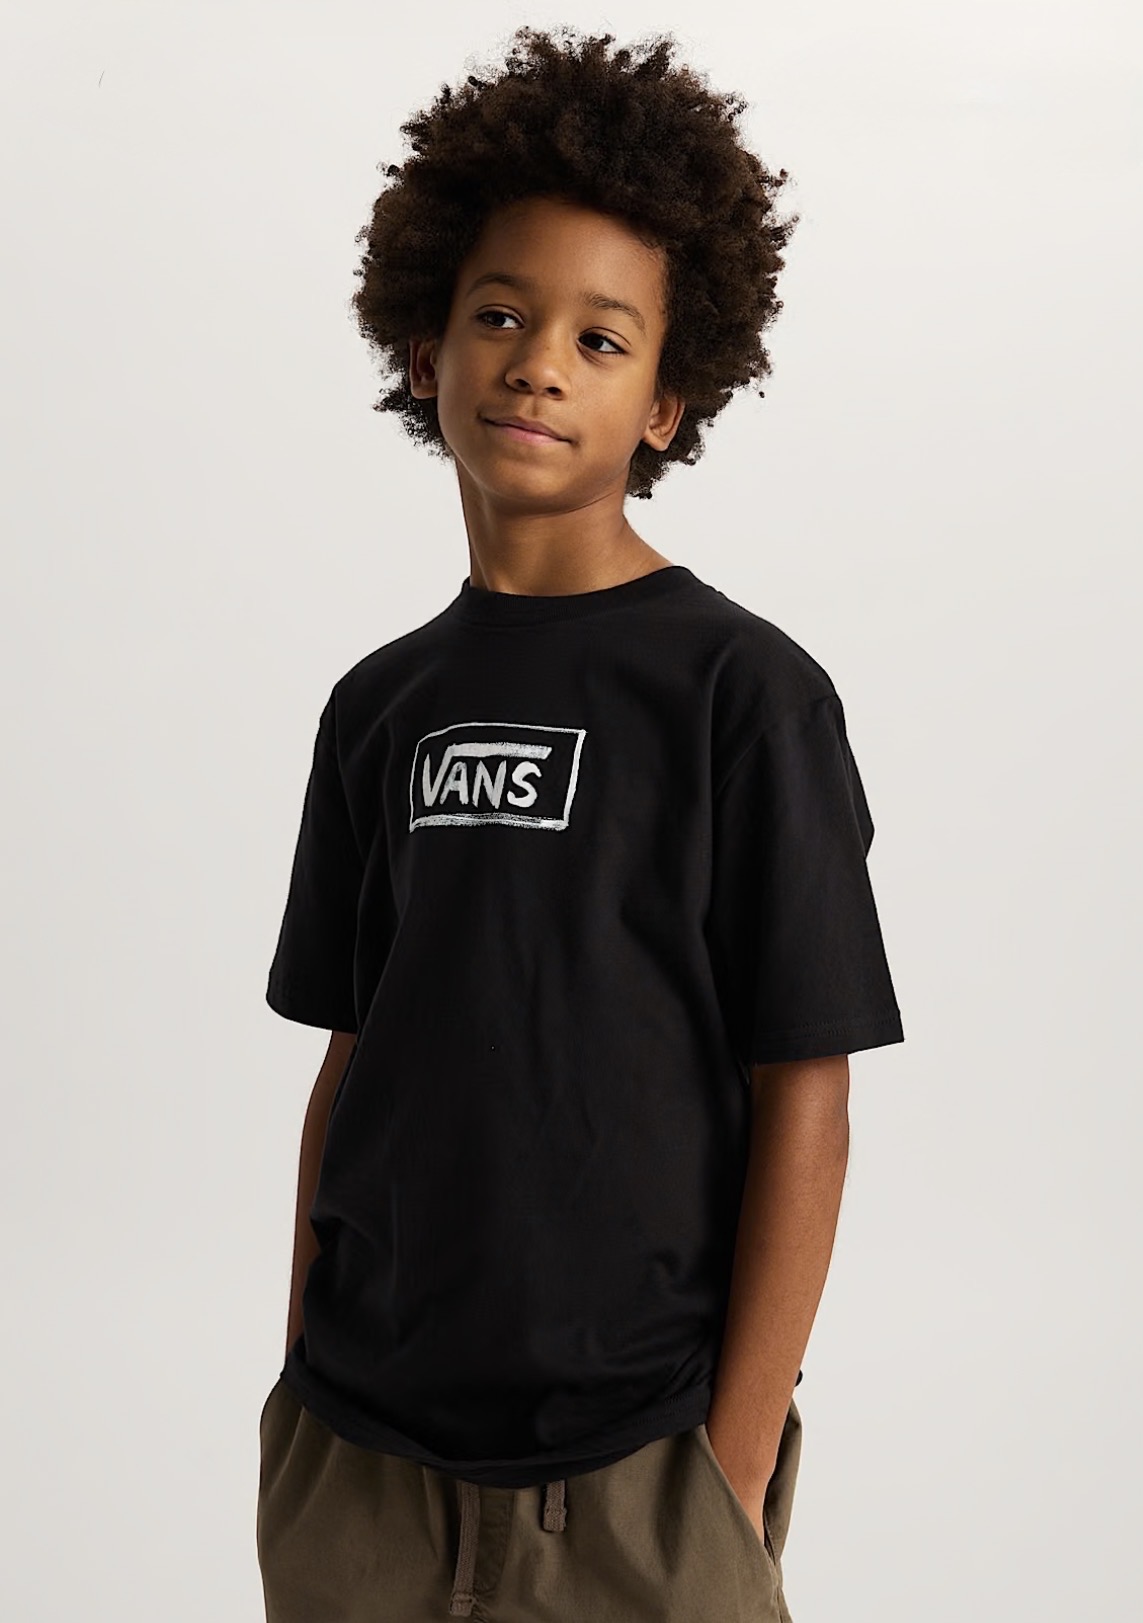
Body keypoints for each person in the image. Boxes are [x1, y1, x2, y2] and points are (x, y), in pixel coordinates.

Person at [256, 27, 904, 1623]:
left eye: (600, 339)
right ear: (426, 348)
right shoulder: (378, 706)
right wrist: (299, 1374)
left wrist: (727, 1472)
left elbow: (807, 1090)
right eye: (500, 315)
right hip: (361, 1467)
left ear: (668, 402)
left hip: (639, 1478)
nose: (539, 361)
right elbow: (353, 1056)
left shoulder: (746, 697)